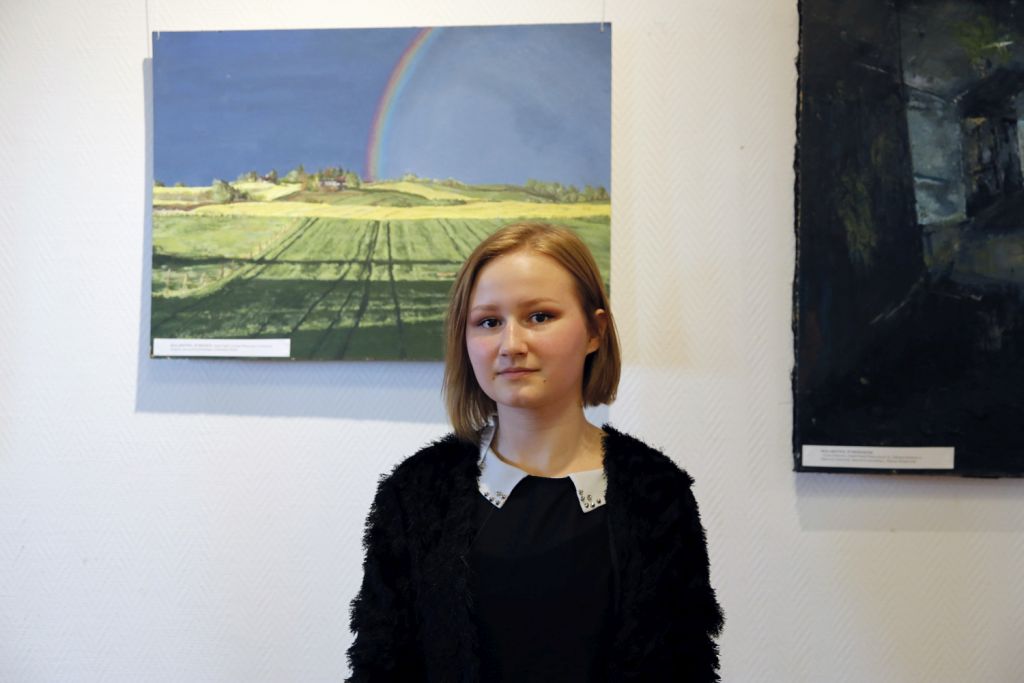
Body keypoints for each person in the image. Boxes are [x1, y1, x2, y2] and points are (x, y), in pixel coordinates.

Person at [347, 222, 723, 682]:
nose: (511, 345)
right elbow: (380, 666)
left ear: (595, 331)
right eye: (489, 322)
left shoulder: (657, 495)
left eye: (540, 317)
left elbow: (686, 668)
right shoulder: (416, 494)